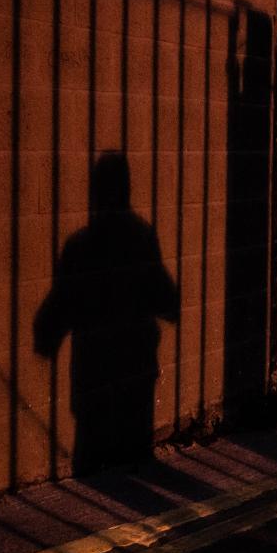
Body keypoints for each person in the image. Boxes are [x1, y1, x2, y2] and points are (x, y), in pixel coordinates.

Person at [34, 152, 178, 474]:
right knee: (134, 448)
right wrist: (171, 307)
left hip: (93, 368)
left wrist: (45, 339)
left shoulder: (80, 245)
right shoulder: (141, 237)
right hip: (136, 363)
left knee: (91, 451)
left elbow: (61, 302)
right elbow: (162, 293)